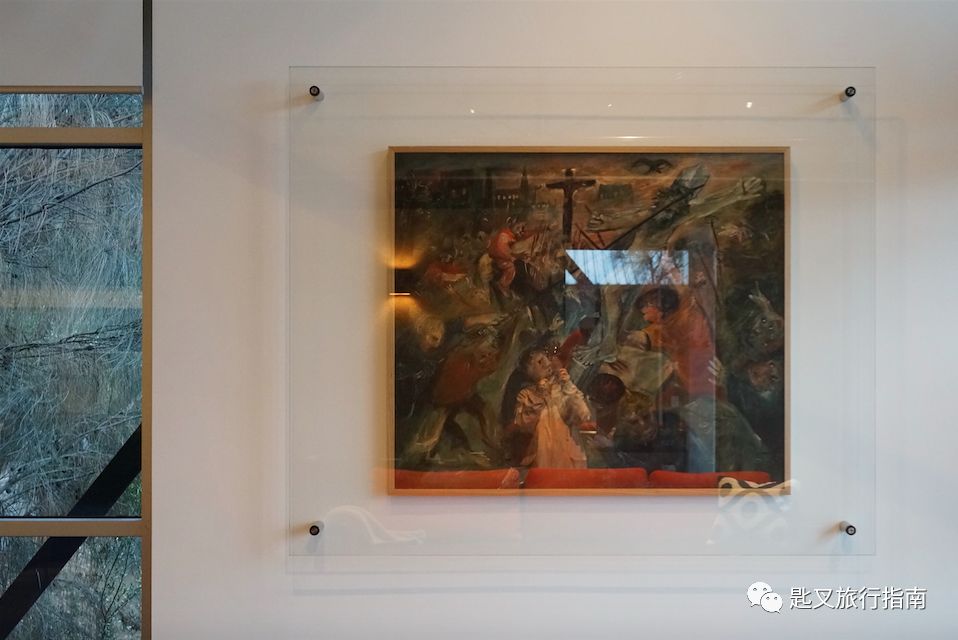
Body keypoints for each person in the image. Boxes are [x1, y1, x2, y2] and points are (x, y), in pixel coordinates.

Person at [501, 347, 593, 468]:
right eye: (540, 362)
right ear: (529, 371)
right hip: (542, 458)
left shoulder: (563, 389)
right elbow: (524, 425)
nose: (547, 364)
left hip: (569, 460)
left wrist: (567, 385)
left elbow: (583, 415)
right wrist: (539, 395)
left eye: (546, 358)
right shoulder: (526, 395)